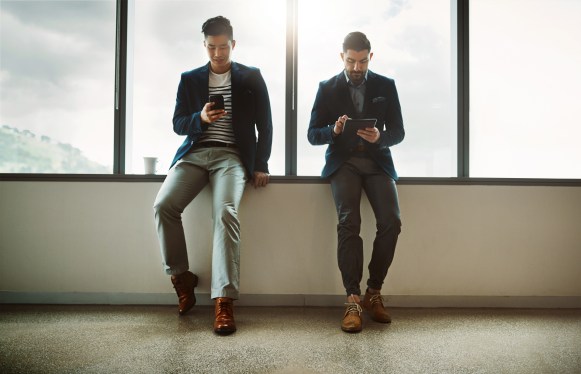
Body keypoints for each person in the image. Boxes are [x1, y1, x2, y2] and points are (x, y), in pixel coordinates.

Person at [153, 16, 272, 335]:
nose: (217, 54)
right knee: (163, 206)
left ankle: (223, 300)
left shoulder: (251, 77)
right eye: (211, 47)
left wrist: (261, 163)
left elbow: (266, 124)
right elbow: (178, 123)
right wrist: (200, 117)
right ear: (204, 45)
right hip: (194, 154)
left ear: (233, 45)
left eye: (223, 47)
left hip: (231, 158)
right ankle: (181, 278)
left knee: (225, 213)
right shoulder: (190, 78)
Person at [307, 31, 404, 333]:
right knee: (349, 221)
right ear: (342, 57)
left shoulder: (385, 86)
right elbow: (312, 134)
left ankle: (373, 292)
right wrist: (334, 131)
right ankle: (352, 299)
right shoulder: (327, 88)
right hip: (343, 164)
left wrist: (380, 137)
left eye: (362, 61)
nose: (357, 67)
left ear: (370, 57)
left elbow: (398, 132)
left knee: (391, 221)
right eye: (351, 61)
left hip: (377, 163)